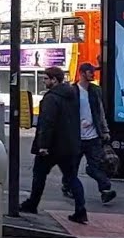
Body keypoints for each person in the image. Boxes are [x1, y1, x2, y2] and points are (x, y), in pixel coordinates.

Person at [19, 66, 88, 224]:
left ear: (54, 80)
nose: (44, 81)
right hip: (69, 145)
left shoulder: (51, 98)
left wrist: (43, 145)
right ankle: (80, 210)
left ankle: (32, 204)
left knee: (39, 175)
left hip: (52, 147)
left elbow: (47, 123)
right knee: (72, 178)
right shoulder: (72, 95)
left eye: (46, 78)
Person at [63, 62, 117, 204]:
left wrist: (104, 130)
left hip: (93, 136)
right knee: (72, 164)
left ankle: (105, 190)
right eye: (90, 72)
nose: (93, 74)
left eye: (93, 72)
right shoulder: (72, 91)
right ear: (81, 73)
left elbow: (100, 112)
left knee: (96, 165)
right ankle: (67, 186)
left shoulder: (95, 90)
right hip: (76, 137)